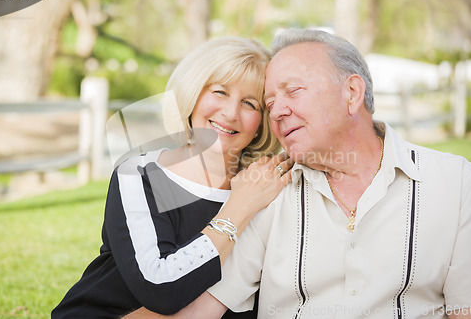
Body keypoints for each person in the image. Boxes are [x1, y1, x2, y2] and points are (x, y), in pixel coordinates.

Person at [126, 29, 471, 318]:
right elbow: (201, 309)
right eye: (268, 103)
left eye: (292, 91)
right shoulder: (269, 190)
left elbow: (467, 309)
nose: (276, 111)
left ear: (352, 93)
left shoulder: (456, 183)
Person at [51, 36, 293, 318]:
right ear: (192, 93)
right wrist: (239, 208)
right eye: (219, 92)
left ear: (263, 121)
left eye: (250, 104)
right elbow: (161, 289)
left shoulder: (267, 184)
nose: (230, 113)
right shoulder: (140, 175)